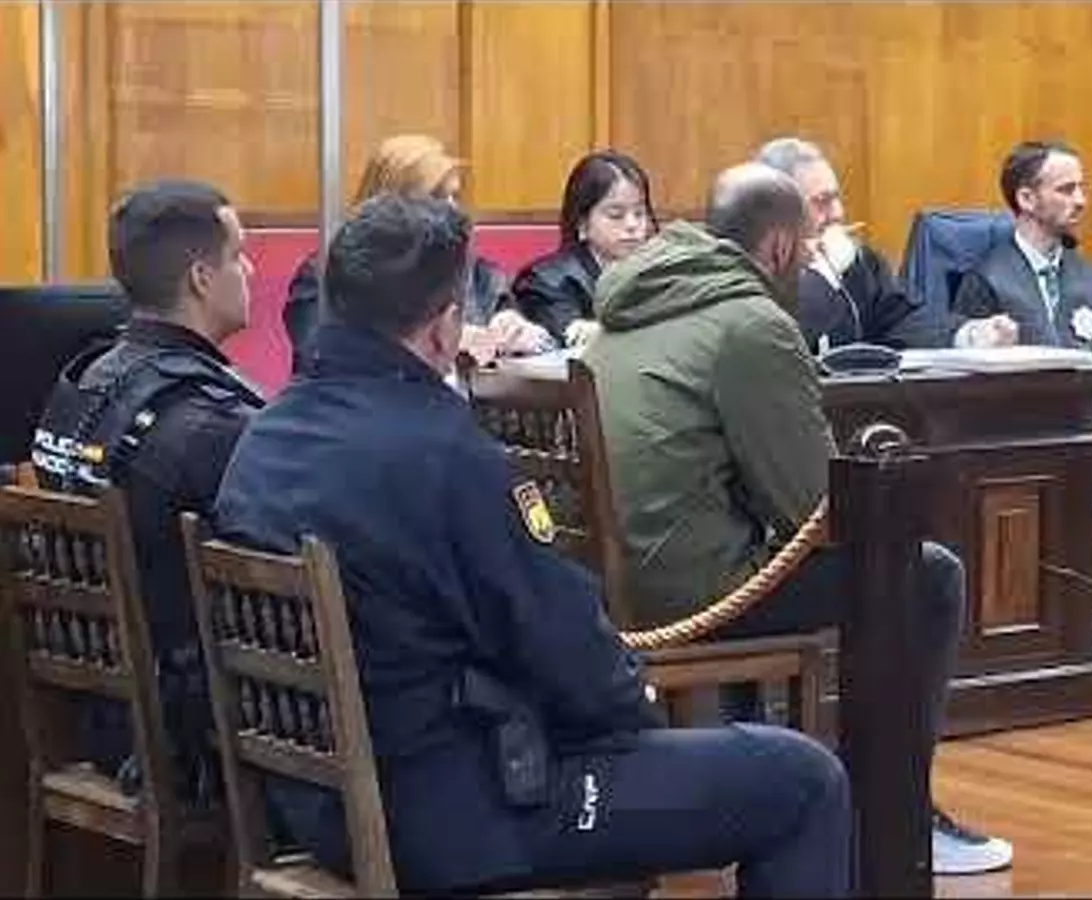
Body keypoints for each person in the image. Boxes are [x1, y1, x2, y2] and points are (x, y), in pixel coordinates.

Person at [213, 193, 850, 896]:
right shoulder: (445, 456)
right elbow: (565, 652)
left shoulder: (263, 439)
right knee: (802, 779)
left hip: (317, 810)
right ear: (444, 325)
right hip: (460, 816)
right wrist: (636, 718)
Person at [583, 162, 1014, 876]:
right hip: (694, 595)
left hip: (613, 586)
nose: (813, 267)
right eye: (810, 248)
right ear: (781, 246)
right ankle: (894, 814)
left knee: (799, 552)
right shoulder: (750, 323)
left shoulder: (630, 305)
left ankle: (787, 788)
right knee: (922, 573)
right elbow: (816, 507)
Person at [30, 179, 264, 801]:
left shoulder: (79, 381)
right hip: (187, 740)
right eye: (238, 255)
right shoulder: (211, 426)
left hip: (93, 711)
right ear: (201, 279)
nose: (250, 269)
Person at [950, 140, 1092, 680]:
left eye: (1082, 187)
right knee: (1078, 479)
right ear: (1026, 198)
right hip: (1022, 441)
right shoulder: (987, 279)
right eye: (1066, 189)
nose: (1081, 200)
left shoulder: (1088, 276)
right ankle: (1084, 624)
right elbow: (982, 395)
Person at [283, 134, 552, 370]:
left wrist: (517, 331)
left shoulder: (477, 272)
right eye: (436, 198)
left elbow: (540, 343)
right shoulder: (324, 276)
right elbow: (321, 360)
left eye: (455, 197)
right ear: (389, 205)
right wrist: (443, 344)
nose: (453, 211)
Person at [754, 136, 942, 353]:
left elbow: (901, 319)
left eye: (837, 198)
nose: (838, 213)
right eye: (822, 202)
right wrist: (823, 277)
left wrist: (966, 334)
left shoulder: (855, 260)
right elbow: (780, 341)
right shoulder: (752, 272)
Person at [509, 150, 658, 350]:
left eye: (639, 213)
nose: (632, 225)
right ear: (582, 223)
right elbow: (568, 338)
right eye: (616, 215)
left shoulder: (661, 273)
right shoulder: (546, 283)